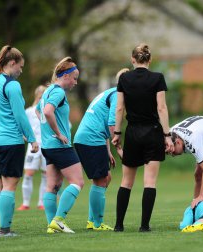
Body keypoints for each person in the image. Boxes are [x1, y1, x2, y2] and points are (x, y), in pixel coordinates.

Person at [111, 43, 174, 232]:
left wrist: (117, 133)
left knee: (125, 182)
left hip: (132, 133)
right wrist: (167, 135)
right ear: (150, 60)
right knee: (150, 182)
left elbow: (119, 108)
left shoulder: (124, 78)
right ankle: (144, 226)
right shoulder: (157, 78)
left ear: (132, 60)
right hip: (153, 132)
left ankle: (119, 225)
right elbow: (161, 108)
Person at [0, 45, 38, 237]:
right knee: (9, 186)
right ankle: (5, 230)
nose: (21, 71)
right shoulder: (12, 85)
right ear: (12, 63)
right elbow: (20, 116)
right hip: (10, 141)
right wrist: (32, 139)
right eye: (20, 67)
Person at [74, 68, 126, 231]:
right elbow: (112, 124)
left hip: (89, 138)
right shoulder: (118, 97)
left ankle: (92, 220)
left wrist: (108, 151)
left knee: (105, 178)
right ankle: (97, 223)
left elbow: (101, 123)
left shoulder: (110, 93)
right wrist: (119, 148)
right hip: (90, 139)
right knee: (101, 180)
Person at [36, 57, 84, 234]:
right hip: (59, 146)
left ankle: (51, 225)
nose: (75, 82)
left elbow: (39, 110)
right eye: (74, 78)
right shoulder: (58, 92)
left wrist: (49, 133)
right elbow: (48, 112)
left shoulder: (47, 91)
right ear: (66, 76)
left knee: (53, 186)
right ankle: (58, 219)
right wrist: (58, 133)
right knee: (78, 182)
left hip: (47, 146)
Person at [17, 85, 47, 211]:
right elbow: (22, 127)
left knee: (46, 174)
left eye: (43, 94)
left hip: (47, 145)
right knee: (28, 173)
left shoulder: (49, 110)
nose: (41, 96)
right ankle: (26, 203)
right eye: (39, 94)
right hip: (33, 146)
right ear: (36, 95)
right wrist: (29, 139)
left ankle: (41, 202)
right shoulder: (29, 111)